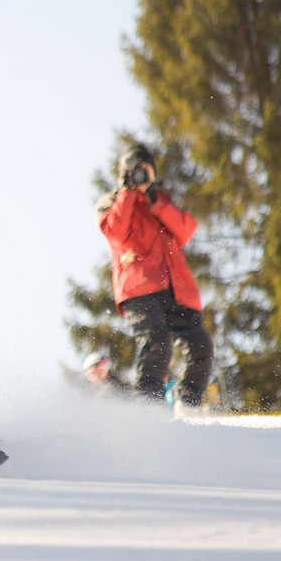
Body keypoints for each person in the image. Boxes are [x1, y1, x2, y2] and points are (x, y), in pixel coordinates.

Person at [95, 143, 213, 408]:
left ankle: (189, 403)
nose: (140, 175)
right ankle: (149, 407)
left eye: (145, 170)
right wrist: (127, 192)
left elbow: (185, 230)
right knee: (157, 340)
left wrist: (154, 200)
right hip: (140, 288)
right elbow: (114, 233)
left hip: (176, 289)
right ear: (124, 171)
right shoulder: (111, 202)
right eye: (135, 170)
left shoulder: (160, 201)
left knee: (200, 346)